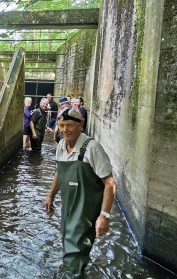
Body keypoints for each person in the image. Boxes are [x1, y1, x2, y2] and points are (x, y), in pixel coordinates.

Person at [44, 107, 116, 277]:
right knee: (68, 244)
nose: (64, 130)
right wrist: (50, 195)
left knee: (75, 249)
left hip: (85, 211)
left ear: (80, 125)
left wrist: (104, 216)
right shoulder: (61, 145)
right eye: (61, 125)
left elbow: (110, 183)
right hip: (68, 207)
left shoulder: (92, 148)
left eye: (69, 125)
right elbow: (59, 172)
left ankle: (73, 274)